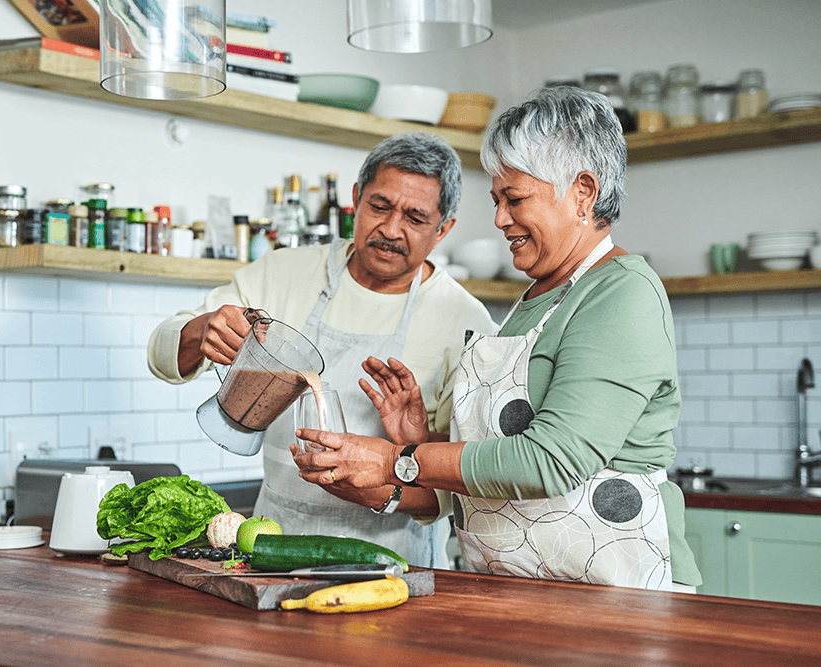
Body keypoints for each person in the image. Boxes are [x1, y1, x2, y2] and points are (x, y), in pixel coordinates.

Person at [294, 87, 702, 592]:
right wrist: (418, 439)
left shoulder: (623, 294)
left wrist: (392, 459)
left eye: (515, 199)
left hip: (612, 597)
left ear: (582, 192)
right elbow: (494, 463)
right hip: (518, 591)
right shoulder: (534, 301)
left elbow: (551, 461)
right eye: (496, 200)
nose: (500, 219)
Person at [148, 132, 497, 568]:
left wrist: (376, 489)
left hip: (396, 562)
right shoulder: (282, 273)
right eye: (380, 206)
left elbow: (456, 490)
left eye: (415, 218)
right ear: (355, 197)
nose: (391, 229)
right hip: (270, 551)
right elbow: (162, 354)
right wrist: (202, 330)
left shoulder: (465, 323)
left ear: (444, 228)